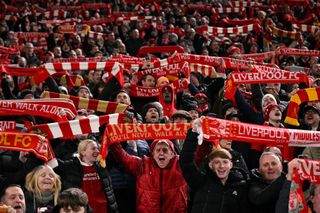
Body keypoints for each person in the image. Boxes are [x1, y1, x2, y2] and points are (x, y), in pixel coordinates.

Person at [179, 118, 250, 213]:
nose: (221, 166)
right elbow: (185, 161)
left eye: (225, 162)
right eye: (217, 162)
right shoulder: (201, 181)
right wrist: (194, 131)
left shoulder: (240, 186)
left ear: (231, 165)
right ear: (210, 165)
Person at [110, 139, 188, 213]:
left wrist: (198, 137)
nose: (161, 153)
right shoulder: (142, 165)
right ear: (152, 154)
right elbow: (122, 157)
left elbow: (196, 158)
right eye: (158, 150)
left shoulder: (180, 164)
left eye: (165, 150)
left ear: (172, 154)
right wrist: (112, 138)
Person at [53, 139, 118, 213]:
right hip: (79, 210)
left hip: (103, 209)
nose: (97, 151)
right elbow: (49, 161)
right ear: (83, 152)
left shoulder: (103, 165)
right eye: (93, 148)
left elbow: (118, 152)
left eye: (98, 148)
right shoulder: (69, 166)